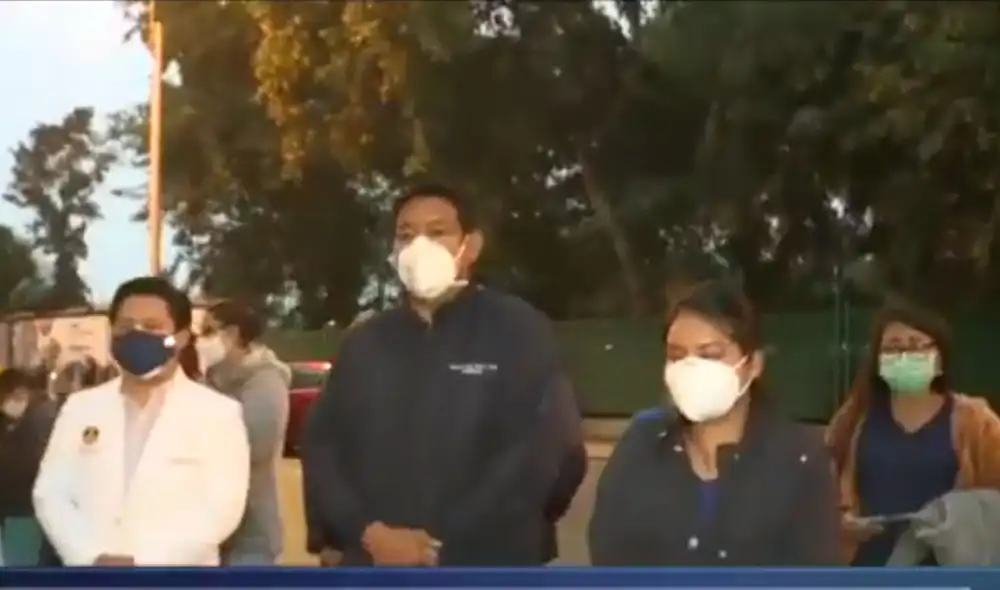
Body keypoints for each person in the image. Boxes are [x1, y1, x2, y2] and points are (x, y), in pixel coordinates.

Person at [301, 183, 585, 566]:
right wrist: (364, 532)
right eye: (406, 235)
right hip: (375, 562)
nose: (420, 245)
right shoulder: (364, 343)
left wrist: (446, 543)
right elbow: (323, 448)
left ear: (471, 245)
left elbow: (547, 453)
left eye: (437, 233)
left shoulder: (518, 330)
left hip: (486, 566)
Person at [588, 280, 839, 565]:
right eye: (676, 355)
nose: (691, 367)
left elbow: (815, 572)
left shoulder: (800, 460)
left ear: (753, 364)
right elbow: (607, 558)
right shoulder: (640, 444)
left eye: (709, 355)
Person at [32, 276, 251, 566]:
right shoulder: (81, 407)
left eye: (152, 327)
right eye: (126, 327)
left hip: (177, 579)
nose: (137, 335)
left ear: (182, 337)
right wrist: (89, 557)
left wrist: (143, 564)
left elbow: (223, 508)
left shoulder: (218, 413)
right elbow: (51, 494)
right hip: (92, 578)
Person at [826, 301, 1000, 566]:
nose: (904, 355)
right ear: (878, 360)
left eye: (917, 345)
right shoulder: (852, 419)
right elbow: (816, 491)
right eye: (893, 347)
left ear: (940, 359)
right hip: (868, 572)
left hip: (951, 573)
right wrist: (839, 522)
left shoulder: (975, 420)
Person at [198, 300, 290, 565]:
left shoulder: (266, 381)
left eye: (208, 331)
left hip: (251, 535)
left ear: (234, 334)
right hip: (211, 533)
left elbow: (254, 445)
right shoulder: (212, 379)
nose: (202, 340)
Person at [0, 368, 58, 566]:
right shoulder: (18, 420)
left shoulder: (38, 421)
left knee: (20, 565)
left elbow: (28, 463)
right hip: (16, 508)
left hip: (23, 508)